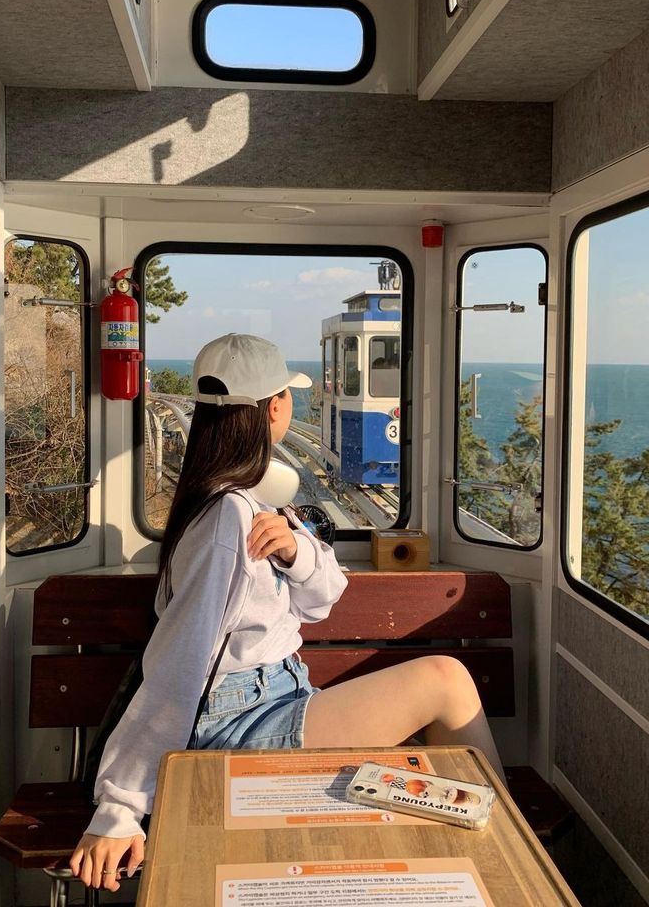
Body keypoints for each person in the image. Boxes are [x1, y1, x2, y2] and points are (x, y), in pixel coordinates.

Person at [70, 333, 505, 893]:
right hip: (240, 724)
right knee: (445, 681)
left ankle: (485, 845)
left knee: (422, 763)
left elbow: (323, 599)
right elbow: (181, 664)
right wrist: (120, 807)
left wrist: (296, 551)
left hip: (275, 699)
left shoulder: (246, 500)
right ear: (275, 407)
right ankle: (504, 848)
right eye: (288, 396)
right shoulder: (228, 519)